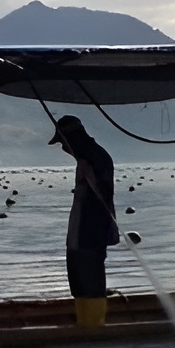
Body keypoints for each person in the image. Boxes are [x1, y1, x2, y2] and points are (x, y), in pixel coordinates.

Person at [48, 114, 118, 328]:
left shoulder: (97, 157)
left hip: (91, 233)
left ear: (73, 139)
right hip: (78, 234)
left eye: (63, 142)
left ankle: (94, 327)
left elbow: (104, 195)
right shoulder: (85, 159)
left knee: (91, 285)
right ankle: (83, 326)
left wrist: (91, 174)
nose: (63, 149)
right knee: (78, 284)